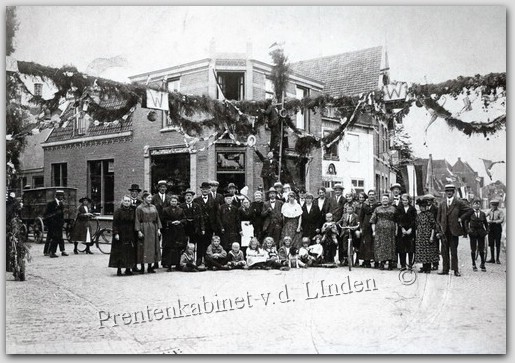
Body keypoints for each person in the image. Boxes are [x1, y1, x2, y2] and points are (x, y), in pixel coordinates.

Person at [436, 184, 471, 277]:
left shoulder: (458, 202)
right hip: (444, 231)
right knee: (444, 251)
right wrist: (439, 230)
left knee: (454, 252)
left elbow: (470, 210)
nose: (449, 193)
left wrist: (461, 218)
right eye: (447, 191)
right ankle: (445, 269)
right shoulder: (442, 203)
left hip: (454, 231)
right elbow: (438, 218)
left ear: (454, 192)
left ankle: (456, 270)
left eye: (451, 191)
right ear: (445, 192)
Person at [135, 191, 162, 274]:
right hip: (144, 228)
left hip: (153, 228)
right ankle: (142, 267)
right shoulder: (139, 208)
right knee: (143, 247)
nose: (150, 199)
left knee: (152, 247)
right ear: (144, 198)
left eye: (151, 198)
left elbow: (157, 218)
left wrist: (158, 229)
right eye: (148, 198)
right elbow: (137, 220)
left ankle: (150, 267)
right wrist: (138, 231)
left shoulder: (153, 207)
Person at [109, 195, 137, 276]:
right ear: (122, 201)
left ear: (130, 202)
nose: (127, 203)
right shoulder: (118, 211)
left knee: (129, 251)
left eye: (128, 201)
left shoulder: (133, 211)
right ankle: (119, 269)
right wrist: (116, 233)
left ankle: (128, 269)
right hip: (121, 233)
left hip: (130, 233)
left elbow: (135, 222)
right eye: (125, 201)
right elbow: (115, 223)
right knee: (120, 251)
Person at [194, 182, 218, 267]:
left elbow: (216, 213)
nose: (205, 191)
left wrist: (215, 226)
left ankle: (208, 262)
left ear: (209, 190)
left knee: (208, 244)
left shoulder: (213, 200)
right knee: (200, 243)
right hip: (200, 225)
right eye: (203, 189)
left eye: (207, 189)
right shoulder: (196, 200)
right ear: (201, 190)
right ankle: (199, 261)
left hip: (210, 226)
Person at [370, 194, 398, 270]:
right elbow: (373, 221)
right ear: (381, 200)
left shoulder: (393, 209)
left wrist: (396, 230)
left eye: (386, 199)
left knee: (390, 246)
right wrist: (373, 231)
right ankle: (381, 262)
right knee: (380, 246)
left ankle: (390, 263)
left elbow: (396, 221)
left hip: (390, 230)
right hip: (379, 230)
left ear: (389, 200)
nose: (385, 200)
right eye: (383, 199)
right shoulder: (377, 209)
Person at [161, 195, 186, 272]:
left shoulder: (181, 210)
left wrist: (180, 222)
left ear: (177, 202)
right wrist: (171, 222)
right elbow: (163, 220)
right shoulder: (165, 210)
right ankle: (169, 265)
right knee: (169, 248)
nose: (174, 203)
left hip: (178, 231)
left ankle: (177, 264)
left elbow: (184, 219)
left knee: (178, 248)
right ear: (170, 202)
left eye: (175, 201)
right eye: (172, 201)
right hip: (169, 231)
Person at [413, 197, 439, 273]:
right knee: (422, 250)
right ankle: (424, 266)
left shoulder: (430, 215)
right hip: (421, 234)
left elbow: (433, 226)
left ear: (426, 207)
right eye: (420, 207)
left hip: (428, 234)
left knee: (429, 250)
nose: (422, 208)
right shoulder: (419, 215)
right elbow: (416, 225)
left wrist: (431, 236)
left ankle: (428, 267)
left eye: (423, 207)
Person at [464, 199, 489, 272]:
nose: (476, 205)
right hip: (473, 232)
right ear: (472, 205)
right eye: (475, 204)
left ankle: (482, 264)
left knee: (481, 249)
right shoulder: (470, 213)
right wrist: (468, 230)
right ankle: (473, 264)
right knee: (473, 249)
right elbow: (466, 222)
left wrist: (487, 231)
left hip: (481, 233)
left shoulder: (482, 214)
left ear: (480, 205)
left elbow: (486, 223)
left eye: (478, 204)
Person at [358, 190, 380, 268]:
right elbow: (360, 217)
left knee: (375, 243)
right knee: (366, 243)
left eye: (373, 194)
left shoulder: (378, 204)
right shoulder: (364, 205)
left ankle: (376, 261)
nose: (371, 196)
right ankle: (367, 261)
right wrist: (361, 227)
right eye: (370, 195)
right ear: (368, 196)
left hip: (375, 225)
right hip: (366, 225)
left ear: (375, 195)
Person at [396, 194, 417, 271]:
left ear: (409, 201)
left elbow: (414, 220)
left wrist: (411, 229)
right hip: (401, 231)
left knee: (410, 248)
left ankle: (410, 265)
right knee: (402, 248)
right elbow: (397, 219)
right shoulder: (399, 209)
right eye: (403, 200)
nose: (404, 202)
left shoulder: (412, 209)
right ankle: (403, 264)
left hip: (410, 231)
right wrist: (402, 228)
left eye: (406, 200)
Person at [43, 190, 67, 258]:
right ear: (57, 196)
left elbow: (61, 215)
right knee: (54, 238)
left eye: (62, 196)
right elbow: (46, 215)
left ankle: (62, 250)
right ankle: (51, 252)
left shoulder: (61, 204)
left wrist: (62, 222)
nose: (61, 197)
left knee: (60, 237)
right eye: (60, 196)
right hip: (52, 224)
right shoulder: (51, 204)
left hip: (59, 224)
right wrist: (50, 222)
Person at [486, 199, 504, 264]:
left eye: (495, 205)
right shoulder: (489, 211)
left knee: (497, 243)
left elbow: (502, 219)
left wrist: (495, 222)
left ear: (497, 205)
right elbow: (484, 216)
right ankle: (492, 258)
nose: (493, 206)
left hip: (497, 228)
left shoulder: (500, 211)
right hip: (490, 228)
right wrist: (487, 220)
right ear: (491, 205)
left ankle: (497, 259)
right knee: (491, 243)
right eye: (492, 205)